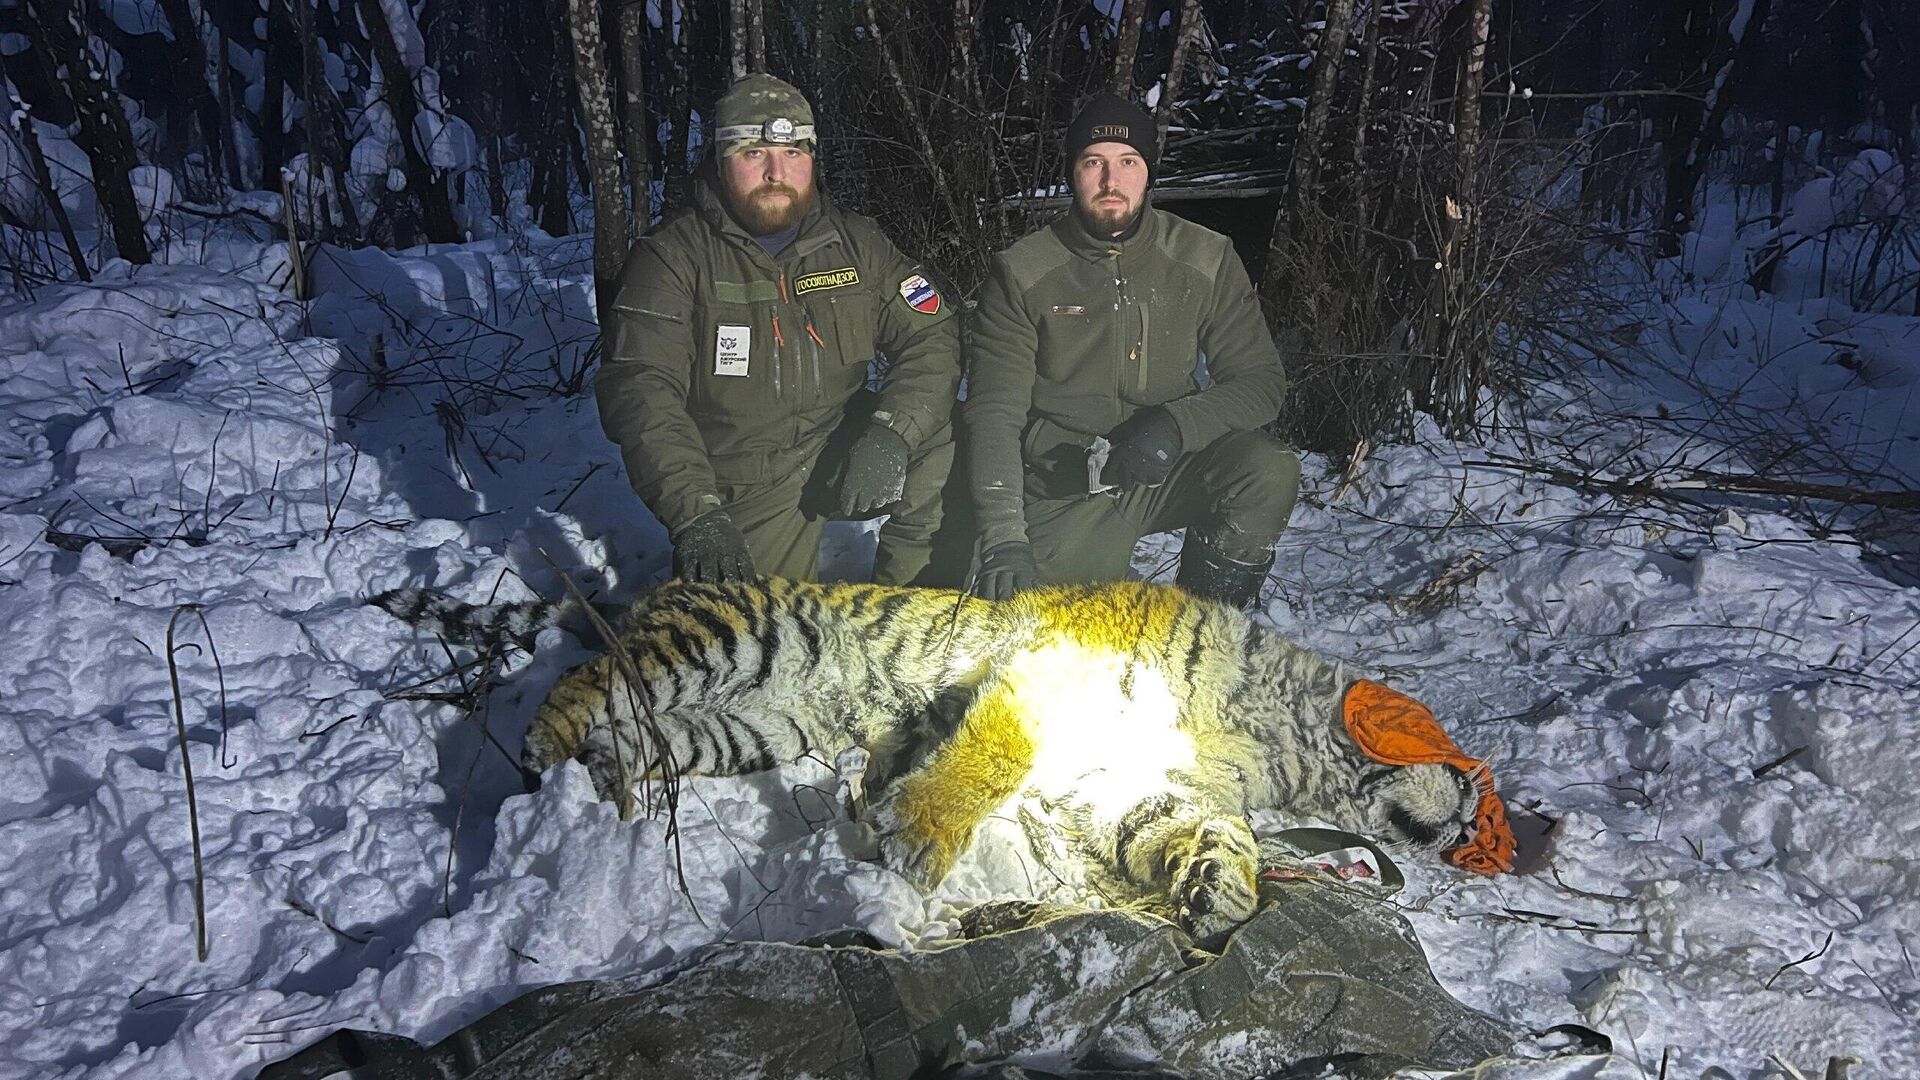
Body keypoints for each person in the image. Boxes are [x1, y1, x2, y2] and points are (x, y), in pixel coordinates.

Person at [598, 74, 962, 585]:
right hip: (745, 479)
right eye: (754, 153)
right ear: (720, 160)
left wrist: (891, 432)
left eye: (793, 152)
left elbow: (930, 334)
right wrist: (695, 514)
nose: (776, 172)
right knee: (751, 623)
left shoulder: (856, 243)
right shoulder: (672, 258)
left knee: (952, 437)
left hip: (839, 442)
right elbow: (641, 390)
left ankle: (907, 605)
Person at [963, 93, 1299, 609]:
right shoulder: (1023, 272)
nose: (1110, 181)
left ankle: (1204, 624)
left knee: (1266, 470)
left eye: (1128, 163)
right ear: (1072, 173)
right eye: (1092, 162)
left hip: (1167, 464)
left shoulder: (1204, 256)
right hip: (1067, 481)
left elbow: (1261, 382)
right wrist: (1004, 537)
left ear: (1148, 173)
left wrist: (1176, 425)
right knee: (1059, 630)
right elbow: (994, 413)